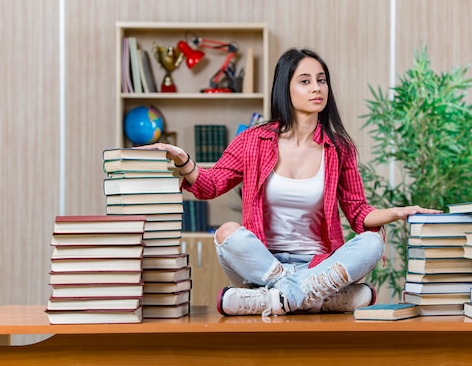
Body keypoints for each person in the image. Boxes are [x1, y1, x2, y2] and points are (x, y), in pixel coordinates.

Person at [139, 48, 441, 317]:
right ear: (286, 87)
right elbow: (210, 185)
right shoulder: (253, 141)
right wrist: (182, 159)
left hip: (319, 264)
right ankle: (313, 297)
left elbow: (358, 212)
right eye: (305, 80)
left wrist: (399, 213)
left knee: (372, 242)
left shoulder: (338, 148)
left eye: (321, 80)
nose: (317, 88)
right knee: (228, 233)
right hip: (264, 263)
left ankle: (273, 298)